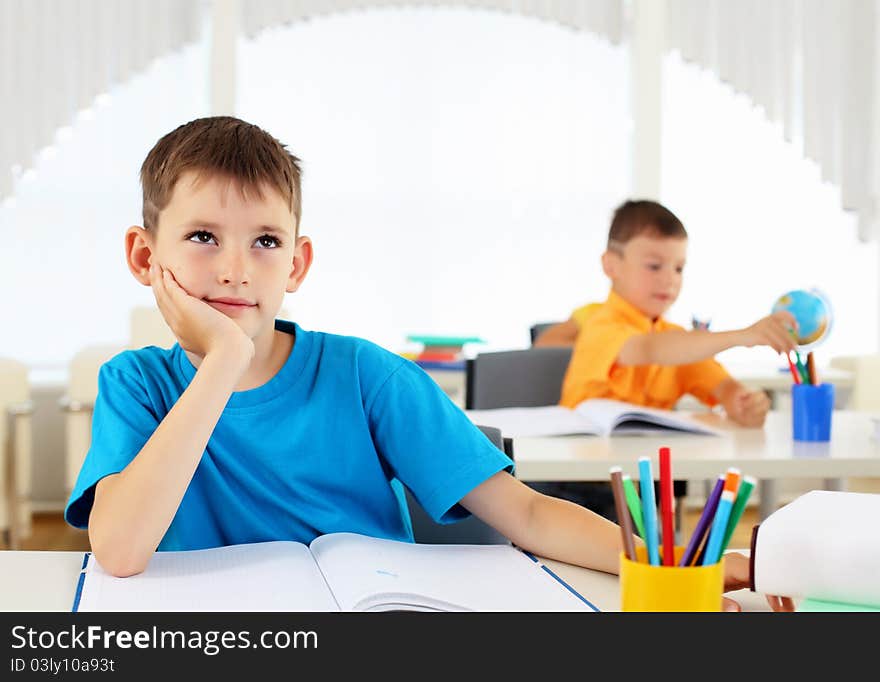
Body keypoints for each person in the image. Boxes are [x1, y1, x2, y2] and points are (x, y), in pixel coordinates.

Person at [64, 118, 790, 611]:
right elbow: (120, 551)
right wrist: (223, 358)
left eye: (264, 241)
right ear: (144, 257)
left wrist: (681, 569)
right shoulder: (135, 385)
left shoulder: (366, 376)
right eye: (200, 236)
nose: (234, 270)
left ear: (298, 260)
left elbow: (528, 514)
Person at [557, 199, 797, 424]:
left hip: (643, 462)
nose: (669, 279)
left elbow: (722, 387)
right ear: (611, 265)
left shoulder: (680, 343)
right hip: (582, 462)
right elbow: (649, 349)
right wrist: (742, 336)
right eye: (654, 266)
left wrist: (743, 403)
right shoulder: (600, 325)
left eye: (679, 268)